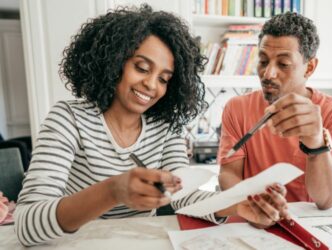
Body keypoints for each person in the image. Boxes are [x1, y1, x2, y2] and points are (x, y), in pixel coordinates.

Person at [14, 5, 285, 247]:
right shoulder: (68, 120)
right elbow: (27, 225)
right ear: (114, 61)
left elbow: (183, 197)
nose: (151, 85)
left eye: (164, 79)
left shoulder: (164, 128)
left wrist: (237, 204)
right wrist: (113, 191)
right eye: (142, 68)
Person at [218, 12, 332, 227]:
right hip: (252, 223)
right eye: (263, 61)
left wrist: (316, 142)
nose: (268, 73)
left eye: (283, 64)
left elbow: (327, 199)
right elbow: (228, 174)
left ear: (309, 67)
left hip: (307, 227)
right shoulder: (237, 108)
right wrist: (253, 203)